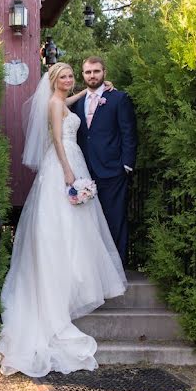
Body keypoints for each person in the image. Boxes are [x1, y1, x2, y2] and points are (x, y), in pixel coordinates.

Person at [0, 62, 127, 377]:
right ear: (54, 80)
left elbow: (69, 101)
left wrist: (93, 89)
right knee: (60, 225)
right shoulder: (53, 105)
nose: (69, 80)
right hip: (63, 164)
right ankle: (60, 288)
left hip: (73, 162)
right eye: (64, 76)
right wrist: (68, 171)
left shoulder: (61, 100)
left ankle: (73, 280)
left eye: (71, 76)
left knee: (77, 227)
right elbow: (56, 136)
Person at [71, 56, 137, 265]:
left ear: (104, 73)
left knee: (114, 218)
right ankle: (96, 269)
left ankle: (118, 267)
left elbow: (129, 133)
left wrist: (126, 165)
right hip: (84, 171)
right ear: (83, 75)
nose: (92, 76)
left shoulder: (119, 98)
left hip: (112, 170)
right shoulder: (77, 102)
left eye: (96, 71)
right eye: (88, 72)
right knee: (88, 222)